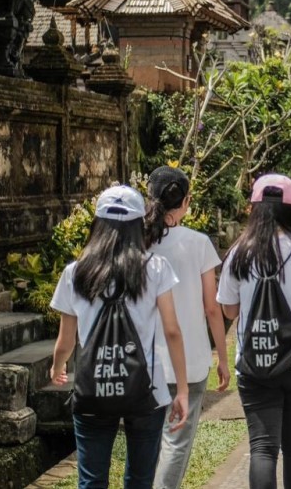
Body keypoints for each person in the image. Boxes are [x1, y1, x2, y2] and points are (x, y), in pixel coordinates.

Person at [50, 185, 189, 489]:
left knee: (91, 480)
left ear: (97, 223)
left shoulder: (75, 273)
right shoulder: (154, 267)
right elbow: (172, 331)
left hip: (93, 389)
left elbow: (66, 341)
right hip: (146, 391)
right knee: (139, 480)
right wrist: (181, 389)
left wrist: (58, 366)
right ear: (139, 225)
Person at [217, 174, 291, 489]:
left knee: (263, 447)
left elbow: (229, 311)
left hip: (255, 363)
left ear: (254, 209)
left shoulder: (238, 254)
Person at [145, 167, 230, 489]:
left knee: (148, 443)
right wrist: (222, 356)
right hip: (191, 360)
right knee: (176, 442)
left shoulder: (139, 243)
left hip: (147, 360)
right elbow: (212, 307)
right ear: (186, 201)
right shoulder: (198, 243)